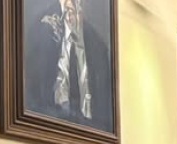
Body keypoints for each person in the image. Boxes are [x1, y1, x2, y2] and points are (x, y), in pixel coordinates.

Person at [25, 0, 113, 131]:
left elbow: (103, 116)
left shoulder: (98, 46)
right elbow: (33, 101)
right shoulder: (40, 29)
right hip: (48, 127)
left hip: (89, 131)